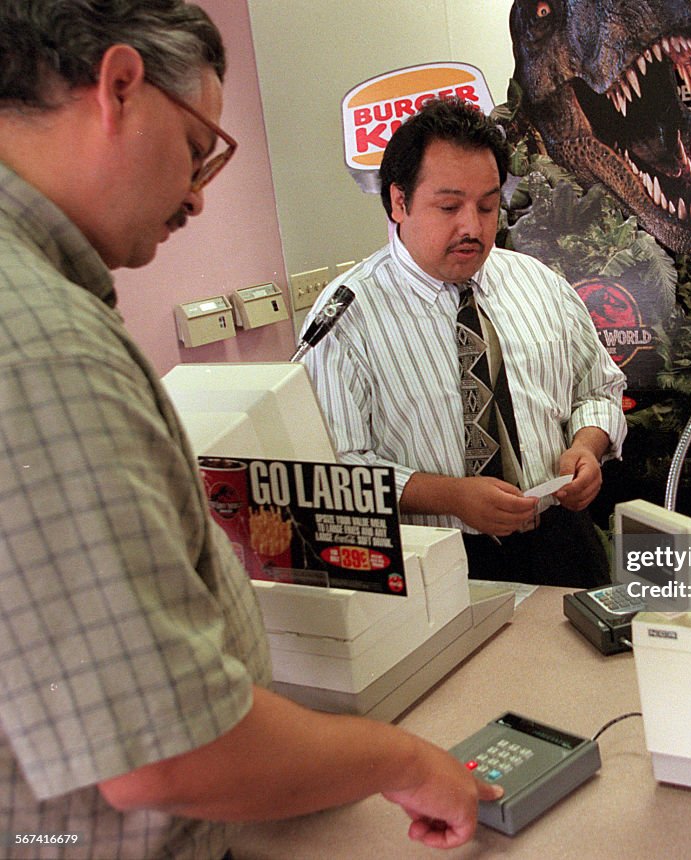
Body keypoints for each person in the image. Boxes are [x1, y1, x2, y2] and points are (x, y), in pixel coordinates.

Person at [0, 3, 499, 857]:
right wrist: (402, 760)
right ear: (119, 87)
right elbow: (165, 753)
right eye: (199, 151)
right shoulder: (41, 345)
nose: (199, 194)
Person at [303, 98, 627, 588]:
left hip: (561, 542)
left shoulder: (538, 283)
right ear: (398, 201)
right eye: (449, 206)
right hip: (432, 562)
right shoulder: (349, 315)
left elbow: (598, 389)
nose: (472, 227)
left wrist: (587, 446)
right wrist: (451, 496)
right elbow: (341, 464)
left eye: (488, 205)